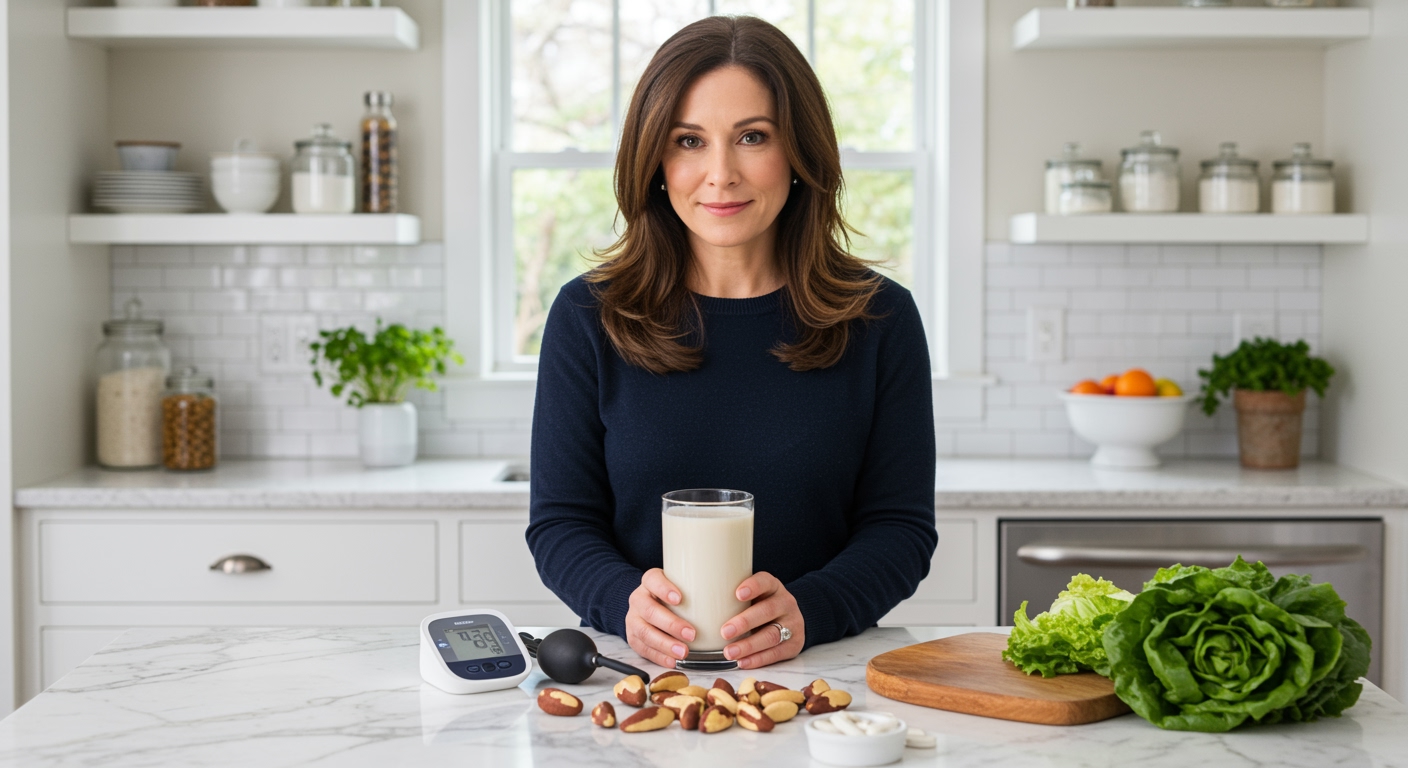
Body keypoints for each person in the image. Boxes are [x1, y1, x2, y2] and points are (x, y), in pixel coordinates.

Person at [527, 14, 936, 671]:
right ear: (655, 157)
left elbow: (901, 530)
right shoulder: (587, 315)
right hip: (642, 676)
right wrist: (623, 601)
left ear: (799, 150)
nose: (720, 174)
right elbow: (560, 526)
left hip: (817, 676)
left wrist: (812, 609)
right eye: (689, 140)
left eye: (752, 137)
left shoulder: (880, 318)